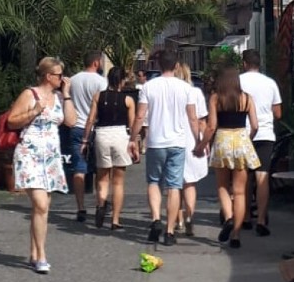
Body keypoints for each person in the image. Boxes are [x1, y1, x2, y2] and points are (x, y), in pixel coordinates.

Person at [8, 56, 77, 273]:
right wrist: (34, 111)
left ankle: (34, 251)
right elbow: (12, 121)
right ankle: (42, 256)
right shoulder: (30, 94)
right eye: (59, 75)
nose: (62, 78)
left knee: (43, 208)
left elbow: (71, 121)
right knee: (40, 204)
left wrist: (66, 95)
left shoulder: (58, 96)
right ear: (48, 76)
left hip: (51, 156)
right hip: (30, 153)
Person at [128, 48, 199, 246]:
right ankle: (169, 231)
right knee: (174, 186)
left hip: (155, 142)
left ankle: (155, 219)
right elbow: (193, 118)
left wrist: (133, 138)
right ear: (176, 66)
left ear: (158, 66)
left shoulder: (149, 87)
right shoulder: (186, 89)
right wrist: (199, 141)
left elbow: (140, 116)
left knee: (153, 182)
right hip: (177, 143)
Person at [197, 67, 259, 249]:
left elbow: (211, 126)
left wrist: (201, 145)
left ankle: (229, 217)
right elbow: (255, 125)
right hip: (241, 139)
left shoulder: (216, 98)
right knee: (240, 191)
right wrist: (248, 139)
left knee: (223, 186)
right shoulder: (247, 98)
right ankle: (236, 235)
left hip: (223, 139)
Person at [81, 66, 135, 229]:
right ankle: (115, 220)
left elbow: (91, 119)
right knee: (118, 182)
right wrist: (135, 143)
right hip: (120, 135)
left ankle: (100, 205)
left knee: (102, 178)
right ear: (122, 81)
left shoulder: (98, 96)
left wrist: (84, 140)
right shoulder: (128, 100)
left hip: (102, 135)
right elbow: (132, 126)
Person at [238, 49, 282, 236]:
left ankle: (246, 216)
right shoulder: (270, 83)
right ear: (259, 64)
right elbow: (278, 113)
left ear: (245, 64)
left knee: (244, 176)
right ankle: (262, 219)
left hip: (243, 133)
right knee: (262, 176)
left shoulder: (238, 82)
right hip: (265, 134)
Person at [66, 50, 107, 221]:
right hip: (95, 127)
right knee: (100, 169)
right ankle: (100, 204)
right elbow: (103, 105)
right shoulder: (101, 82)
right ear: (96, 63)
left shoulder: (73, 80)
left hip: (76, 126)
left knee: (79, 168)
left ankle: (80, 207)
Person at [175, 62, 208, 237]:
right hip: (191, 140)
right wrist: (204, 143)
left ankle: (178, 219)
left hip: (173, 139)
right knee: (190, 182)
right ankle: (189, 216)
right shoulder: (195, 93)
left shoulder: (172, 92)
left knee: (175, 184)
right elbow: (201, 121)